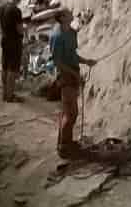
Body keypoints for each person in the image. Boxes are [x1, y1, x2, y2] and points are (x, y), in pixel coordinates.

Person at [50, 8, 96, 157]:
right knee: (70, 114)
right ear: (63, 18)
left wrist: (85, 61)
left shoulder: (70, 32)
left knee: (71, 112)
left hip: (72, 73)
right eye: (69, 13)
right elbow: (58, 62)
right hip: (65, 76)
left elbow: (72, 54)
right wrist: (74, 74)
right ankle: (64, 147)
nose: (72, 14)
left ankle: (67, 142)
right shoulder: (57, 36)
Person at [0, 0, 27, 102]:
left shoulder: (2, 7)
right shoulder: (16, 10)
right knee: (12, 69)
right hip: (14, 42)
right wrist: (25, 29)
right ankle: (10, 95)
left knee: (4, 67)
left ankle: (4, 93)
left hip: (4, 39)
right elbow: (19, 29)